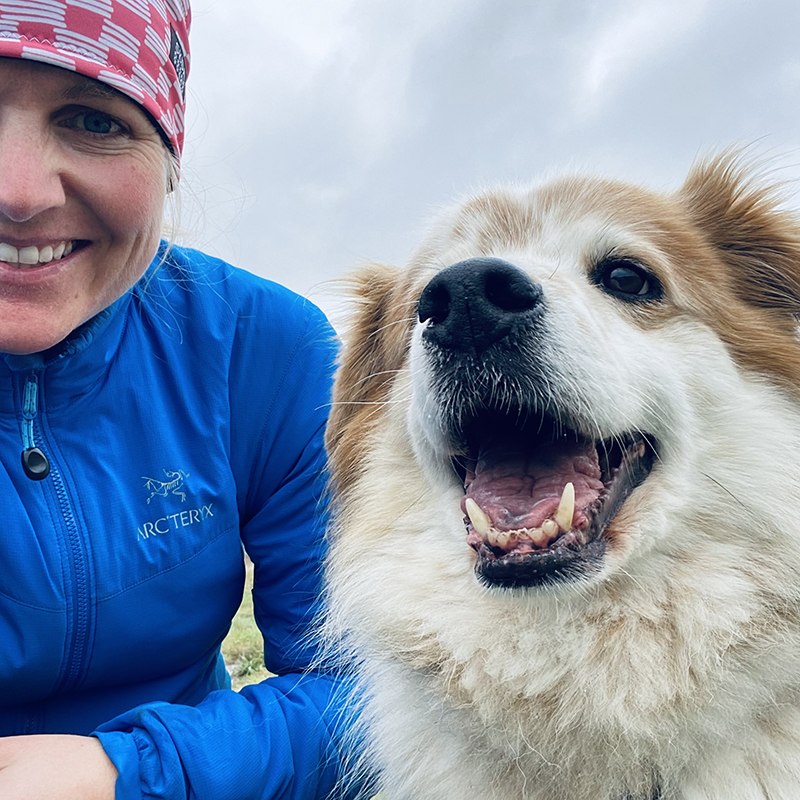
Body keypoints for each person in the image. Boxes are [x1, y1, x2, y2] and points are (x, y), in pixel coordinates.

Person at [0, 3, 363, 798]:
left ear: (166, 157)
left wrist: (130, 773)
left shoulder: (262, 350)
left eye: (93, 118)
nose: (19, 194)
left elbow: (368, 690)